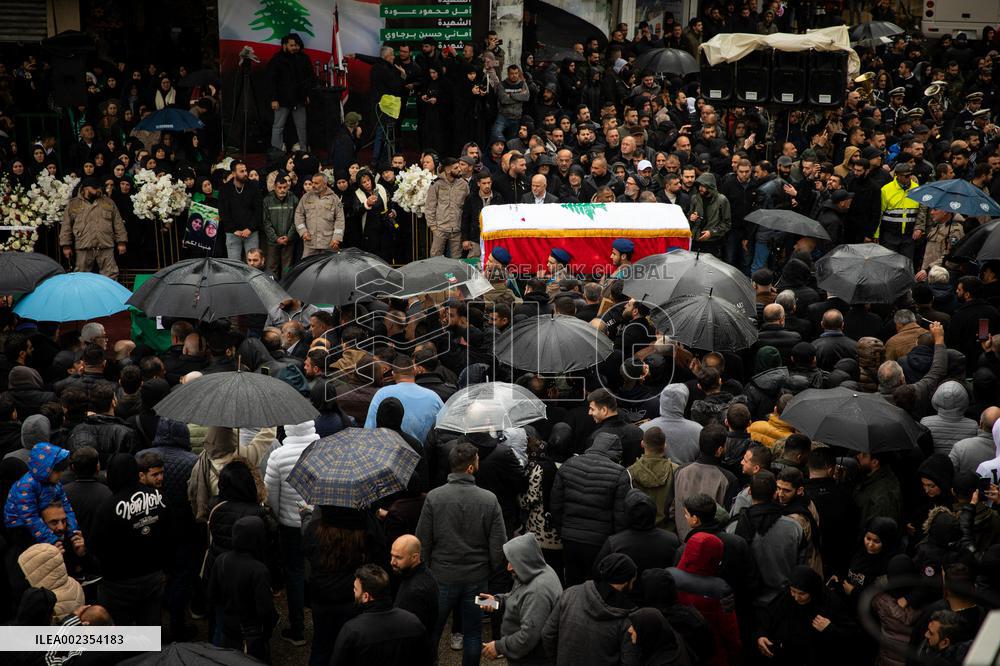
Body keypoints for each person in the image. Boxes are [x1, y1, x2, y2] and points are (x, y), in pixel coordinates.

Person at [416, 442, 506, 666]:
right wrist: (491, 568)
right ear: (470, 467)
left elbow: (422, 540)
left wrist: (427, 570)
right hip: (477, 578)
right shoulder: (489, 499)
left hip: (441, 577)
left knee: (433, 631)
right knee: (473, 633)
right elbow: (498, 545)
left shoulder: (434, 498)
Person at [90, 453, 167, 626]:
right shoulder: (159, 497)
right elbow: (171, 535)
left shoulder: (107, 508)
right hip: (152, 576)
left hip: (118, 583)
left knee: (121, 630)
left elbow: (96, 546)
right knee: (150, 625)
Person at [263, 420, 319, 646]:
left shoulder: (278, 456)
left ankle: (297, 629)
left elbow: (269, 496)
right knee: (319, 572)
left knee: (294, 575)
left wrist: (281, 517)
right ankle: (321, 624)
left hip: (290, 527)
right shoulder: (323, 449)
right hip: (318, 524)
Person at [550, 432, 631, 585]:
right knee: (597, 584)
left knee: (572, 582)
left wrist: (563, 530)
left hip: (569, 537)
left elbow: (556, 505)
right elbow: (620, 516)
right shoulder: (620, 473)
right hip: (600, 542)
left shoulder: (569, 465)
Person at [478, 533, 563, 663]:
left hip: (531, 659)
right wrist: (497, 602)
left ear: (525, 560)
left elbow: (528, 637)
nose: (508, 567)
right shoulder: (533, 570)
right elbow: (518, 598)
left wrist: (499, 647)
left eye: (513, 562)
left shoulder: (538, 591)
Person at [542, 552, 638, 665]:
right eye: (633, 582)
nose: (633, 586)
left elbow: (547, 634)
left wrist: (557, 661)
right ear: (626, 582)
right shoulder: (627, 619)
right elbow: (629, 661)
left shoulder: (570, 594)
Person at [754, 565, 857, 665]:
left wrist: (829, 628)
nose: (796, 598)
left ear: (813, 590)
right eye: (793, 591)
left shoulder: (830, 603)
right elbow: (768, 615)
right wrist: (761, 634)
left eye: (802, 594)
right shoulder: (787, 595)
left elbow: (852, 635)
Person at [728, 471, 803, 606]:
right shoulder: (794, 527)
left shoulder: (733, 527)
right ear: (775, 493)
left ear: (749, 492)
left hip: (745, 600)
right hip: (783, 600)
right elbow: (802, 562)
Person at [208, 516, 277, 662]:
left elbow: (213, 595)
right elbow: (265, 610)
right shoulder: (258, 570)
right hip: (250, 636)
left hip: (227, 629)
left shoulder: (221, 560)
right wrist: (268, 630)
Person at [667, 531, 741, 666]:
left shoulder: (668, 577)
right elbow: (729, 630)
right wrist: (735, 655)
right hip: (712, 653)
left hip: (680, 652)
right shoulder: (719, 589)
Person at [331, 564, 427, 665]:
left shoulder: (352, 631)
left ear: (366, 596)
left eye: (355, 588)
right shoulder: (413, 622)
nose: (353, 591)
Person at [4, 442, 77, 545]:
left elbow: (66, 506)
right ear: (45, 470)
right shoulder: (26, 486)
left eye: (62, 471)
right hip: (19, 525)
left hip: (42, 521)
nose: (60, 475)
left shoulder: (55, 484)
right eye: (57, 471)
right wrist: (51, 539)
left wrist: (73, 532)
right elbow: (29, 516)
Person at [674, 425, 736, 540]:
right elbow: (727, 517)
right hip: (711, 542)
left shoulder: (680, 471)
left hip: (681, 539)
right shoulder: (728, 479)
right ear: (719, 450)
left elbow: (671, 507)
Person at [364, 355, 443, 444]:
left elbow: (369, 430)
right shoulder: (433, 397)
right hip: (423, 451)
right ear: (414, 371)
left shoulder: (381, 394)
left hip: (388, 449)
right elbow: (443, 429)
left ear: (393, 374)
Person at [59, 176, 127, 278]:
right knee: (81, 277)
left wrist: (121, 242)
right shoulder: (73, 204)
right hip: (83, 246)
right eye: (95, 188)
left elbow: (118, 223)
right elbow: (66, 226)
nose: (99, 190)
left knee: (111, 275)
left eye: (99, 187)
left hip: (105, 245)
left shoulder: (108, 202)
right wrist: (66, 245)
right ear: (85, 188)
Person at [390, 534, 439, 659]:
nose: (392, 562)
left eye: (398, 557)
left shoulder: (414, 590)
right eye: (392, 555)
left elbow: (408, 632)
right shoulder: (423, 574)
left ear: (415, 557)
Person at [267, 33, 313, 152]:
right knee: (278, 127)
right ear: (284, 45)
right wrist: (273, 98)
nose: (295, 48)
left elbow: (309, 78)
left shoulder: (304, 58)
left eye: (297, 45)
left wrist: (307, 94)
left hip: (299, 98)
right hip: (282, 99)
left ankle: (304, 152)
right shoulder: (277, 59)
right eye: (292, 45)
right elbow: (271, 80)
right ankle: (275, 152)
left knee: (302, 127)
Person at [627, 427, 679, 529]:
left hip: (638, 529)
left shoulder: (630, 472)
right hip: (667, 530)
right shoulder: (675, 470)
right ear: (664, 446)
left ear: (642, 444)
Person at [640, 384, 702, 464]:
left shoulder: (644, 429)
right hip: (686, 471)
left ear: (661, 400)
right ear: (684, 401)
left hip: (651, 471)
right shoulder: (698, 430)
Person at [218, 161, 263, 260]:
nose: (245, 173)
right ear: (234, 173)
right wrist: (233, 229)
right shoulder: (225, 189)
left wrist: (250, 228)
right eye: (241, 171)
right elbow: (223, 212)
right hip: (232, 234)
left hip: (251, 233)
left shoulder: (254, 187)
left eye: (245, 170)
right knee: (234, 265)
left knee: (253, 264)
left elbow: (259, 210)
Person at [424, 157, 467, 257]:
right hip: (440, 228)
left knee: (457, 258)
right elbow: (430, 207)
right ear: (447, 170)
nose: (459, 169)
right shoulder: (436, 184)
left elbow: (467, 206)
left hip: (457, 228)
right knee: (435, 256)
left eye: (459, 167)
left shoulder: (463, 184)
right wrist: (433, 227)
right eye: (456, 168)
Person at [295, 172, 345, 257]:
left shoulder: (335, 199)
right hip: (310, 243)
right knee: (308, 265)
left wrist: (337, 238)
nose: (313, 185)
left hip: (329, 244)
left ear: (325, 184)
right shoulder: (306, 197)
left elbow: (340, 220)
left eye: (316, 183)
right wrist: (303, 232)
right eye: (312, 182)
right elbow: (298, 215)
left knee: (329, 265)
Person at [260, 175, 298, 277]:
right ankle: (272, 286)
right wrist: (275, 238)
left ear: (288, 187)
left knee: (287, 268)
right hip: (272, 241)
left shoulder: (293, 199)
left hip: (288, 241)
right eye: (279, 187)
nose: (282, 190)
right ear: (274, 187)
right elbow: (266, 222)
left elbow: (296, 220)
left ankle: (286, 286)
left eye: (284, 187)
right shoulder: (267, 200)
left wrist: (289, 236)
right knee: (272, 267)